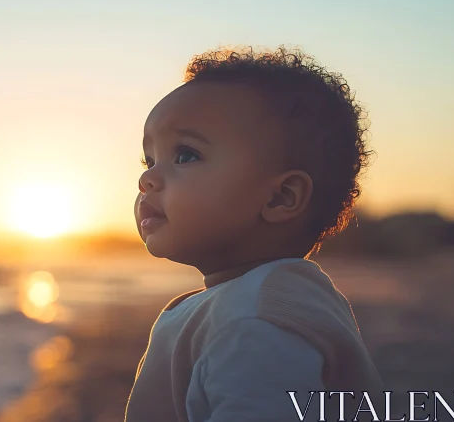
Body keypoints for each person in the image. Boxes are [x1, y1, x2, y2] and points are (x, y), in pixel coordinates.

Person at [124, 45, 383, 422]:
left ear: (280, 197)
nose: (146, 179)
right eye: (150, 161)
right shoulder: (266, 302)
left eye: (185, 155)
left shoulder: (255, 325)